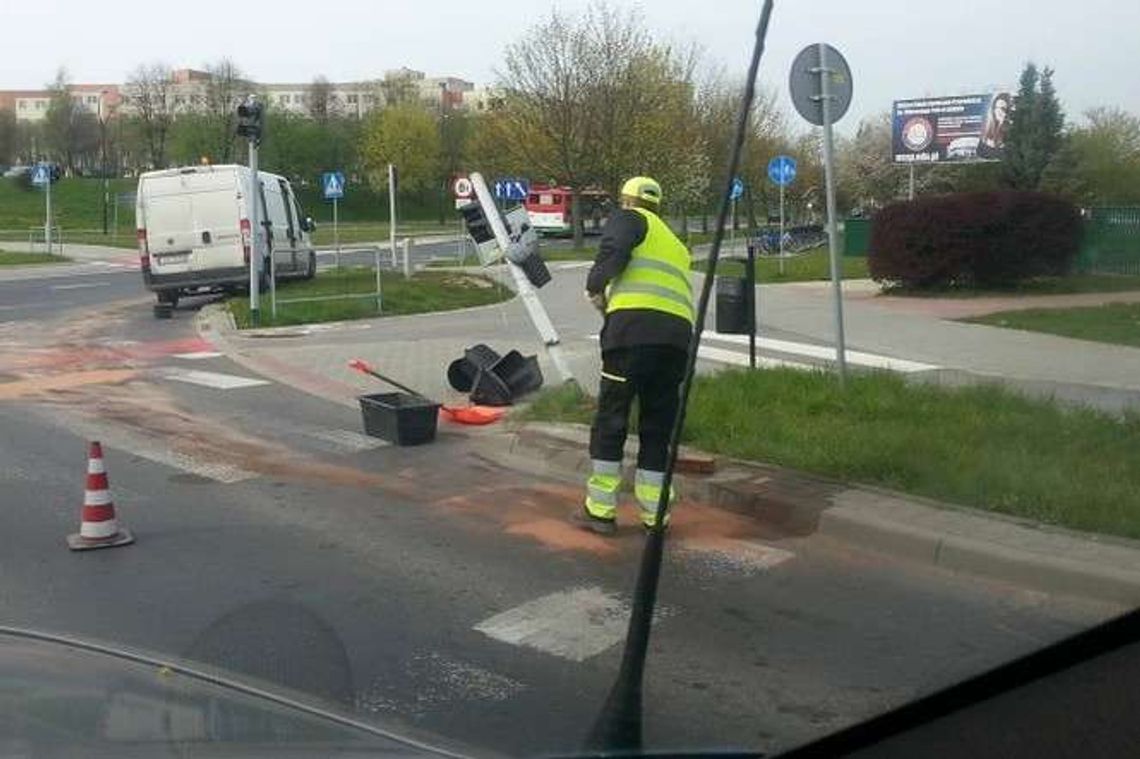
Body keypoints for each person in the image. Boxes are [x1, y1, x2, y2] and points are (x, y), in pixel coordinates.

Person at [576, 176, 693, 535]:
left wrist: (595, 285)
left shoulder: (630, 218)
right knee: (657, 426)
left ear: (627, 201)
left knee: (612, 418)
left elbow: (615, 251)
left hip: (630, 338)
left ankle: (601, 510)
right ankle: (655, 516)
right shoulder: (676, 243)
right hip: (675, 343)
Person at [978, 93, 1011, 159]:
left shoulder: (1012, 131)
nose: (999, 111)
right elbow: (980, 153)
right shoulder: (986, 131)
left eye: (1003, 108)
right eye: (996, 108)